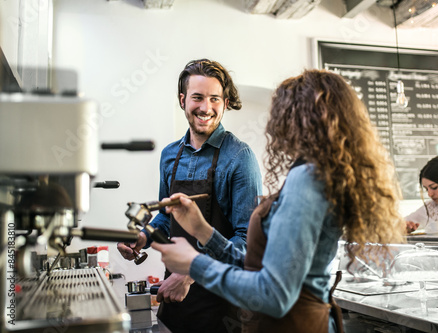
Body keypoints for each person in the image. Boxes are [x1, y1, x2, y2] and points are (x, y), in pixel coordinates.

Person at [151, 69, 406, 333]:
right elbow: (260, 266)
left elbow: (273, 294)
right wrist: (203, 231)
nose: (275, 123)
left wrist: (195, 264)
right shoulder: (315, 173)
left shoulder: (307, 180)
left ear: (299, 118)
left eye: (281, 112)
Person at [117, 59, 262, 333]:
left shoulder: (240, 158)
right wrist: (142, 237)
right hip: (174, 295)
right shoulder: (170, 155)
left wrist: (191, 273)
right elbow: (166, 217)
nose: (205, 108)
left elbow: (248, 244)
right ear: (183, 100)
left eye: (214, 99)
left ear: (225, 102)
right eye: (197, 97)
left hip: (224, 303)